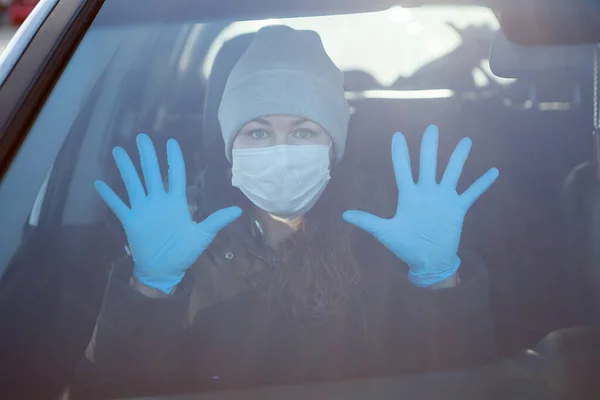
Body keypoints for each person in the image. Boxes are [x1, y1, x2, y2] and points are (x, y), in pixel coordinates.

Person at [87, 25, 500, 396]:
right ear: (231, 148)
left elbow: (459, 381)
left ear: (334, 146)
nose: (280, 151)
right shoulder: (180, 231)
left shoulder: (393, 232)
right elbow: (115, 388)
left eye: (303, 131)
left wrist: (440, 283)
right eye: (258, 131)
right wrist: (150, 288)